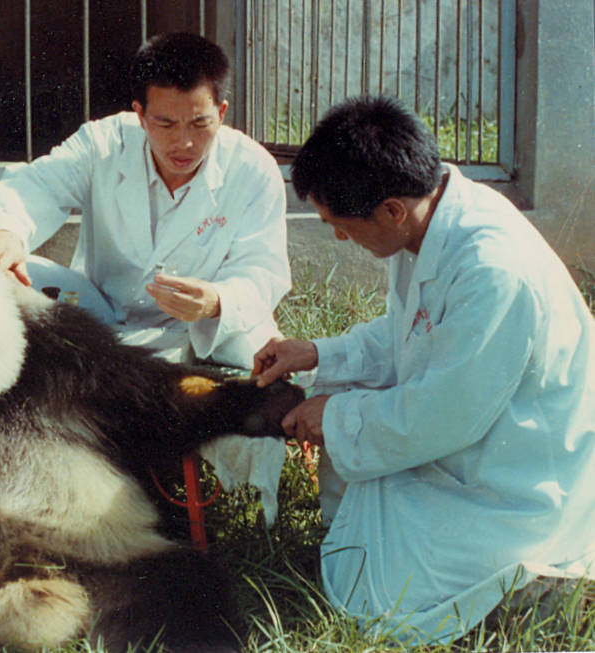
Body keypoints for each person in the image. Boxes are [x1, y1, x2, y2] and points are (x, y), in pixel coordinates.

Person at [252, 95, 595, 643]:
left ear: (390, 209)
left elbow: (442, 415)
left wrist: (336, 417)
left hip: (519, 486)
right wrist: (317, 353)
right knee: (356, 447)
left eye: (341, 225)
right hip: (473, 438)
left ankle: (533, 587)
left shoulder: (492, 271)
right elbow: (410, 336)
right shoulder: (430, 222)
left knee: (379, 588)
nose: (340, 237)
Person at [0, 31, 290, 369]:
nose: (184, 143)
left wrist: (217, 300)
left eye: (200, 123)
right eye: (166, 124)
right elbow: (36, 184)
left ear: (222, 111)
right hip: (100, 307)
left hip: (202, 325)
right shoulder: (104, 142)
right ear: (140, 114)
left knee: (260, 353)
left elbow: (263, 267)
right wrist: (8, 233)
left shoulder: (252, 168)